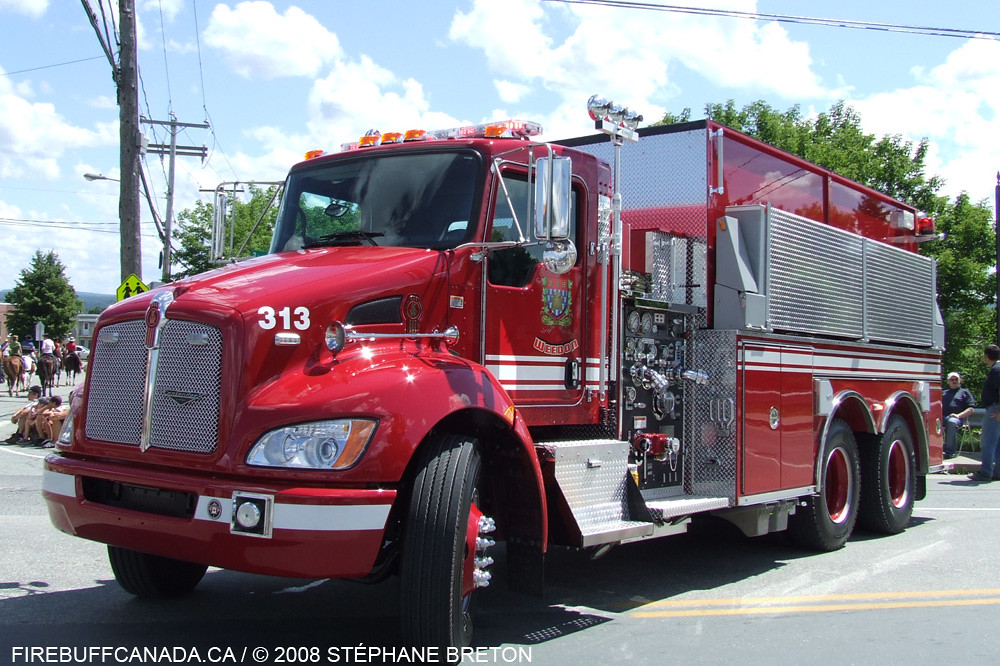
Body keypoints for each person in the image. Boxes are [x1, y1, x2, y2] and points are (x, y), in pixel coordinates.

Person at [971, 345, 1000, 482]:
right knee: (997, 442)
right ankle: (997, 471)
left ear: (987, 356)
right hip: (996, 408)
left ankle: (986, 471)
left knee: (988, 441)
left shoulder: (996, 370)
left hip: (995, 409)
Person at [942, 372, 976, 459]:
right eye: (952, 380)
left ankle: (949, 451)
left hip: (958, 419)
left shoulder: (965, 393)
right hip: (942, 418)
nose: (954, 381)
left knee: (951, 422)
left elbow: (971, 409)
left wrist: (958, 415)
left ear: (960, 381)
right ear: (948, 381)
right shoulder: (943, 393)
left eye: (956, 379)